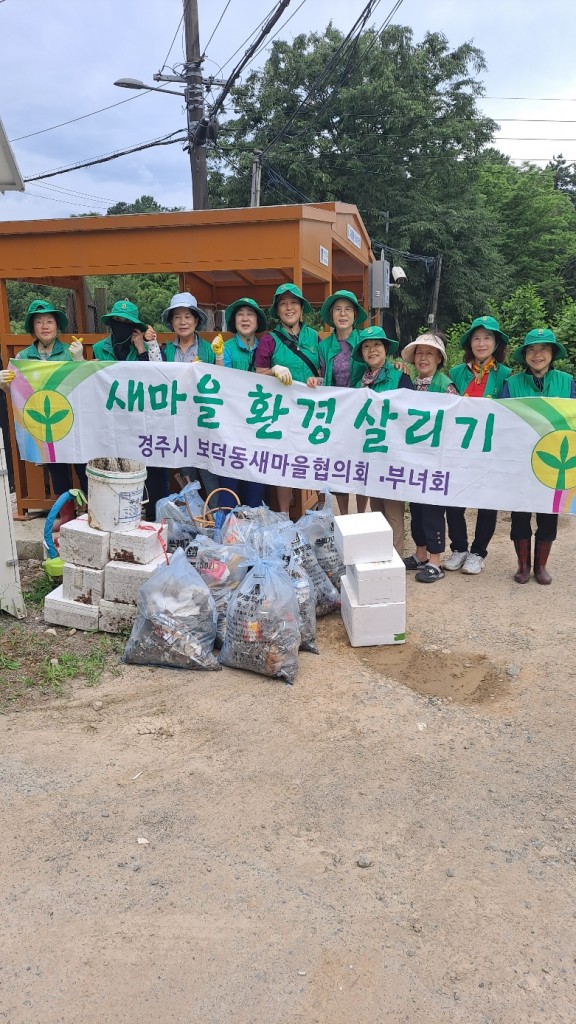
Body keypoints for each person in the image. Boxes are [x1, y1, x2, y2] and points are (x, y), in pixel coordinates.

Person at [501, 328, 576, 585]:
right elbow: (502, 419)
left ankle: (541, 567)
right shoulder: (511, 384)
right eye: (532, 350)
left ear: (552, 354)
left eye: (543, 349)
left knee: (548, 514)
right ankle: (523, 566)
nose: (537, 355)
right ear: (525, 355)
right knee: (520, 514)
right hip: (520, 461)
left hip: (554, 461)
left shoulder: (567, 382)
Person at [0, 299, 87, 507]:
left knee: (82, 467)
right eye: (39, 322)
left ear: (58, 326)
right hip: (45, 425)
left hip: (73, 420)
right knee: (56, 468)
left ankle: (88, 511)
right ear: (33, 328)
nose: (45, 326)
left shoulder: (69, 351)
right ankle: (65, 513)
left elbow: (85, 385)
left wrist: (79, 359)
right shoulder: (23, 358)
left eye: (50, 321)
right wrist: (4, 384)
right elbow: (18, 394)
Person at [444, 315, 511, 574]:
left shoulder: (506, 375)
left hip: (489, 448)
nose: (481, 343)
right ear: (469, 343)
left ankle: (478, 552)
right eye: (476, 338)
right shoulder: (456, 373)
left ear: (496, 343)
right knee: (453, 498)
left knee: (487, 500)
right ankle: (458, 547)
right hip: (458, 448)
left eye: (487, 338)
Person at [94, 299, 165, 520]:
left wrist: (141, 348)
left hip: (143, 418)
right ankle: (116, 515)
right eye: (117, 321)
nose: (121, 325)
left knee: (153, 465)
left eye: (127, 322)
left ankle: (155, 515)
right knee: (116, 466)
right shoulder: (99, 348)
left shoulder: (140, 347)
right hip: (112, 419)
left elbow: (155, 377)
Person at [255, 283, 322, 514]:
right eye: (283, 303)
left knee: (313, 461)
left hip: (311, 412)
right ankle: (284, 514)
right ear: (277, 310)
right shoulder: (269, 340)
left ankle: (317, 513)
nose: (289, 307)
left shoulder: (314, 337)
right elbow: (258, 373)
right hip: (281, 413)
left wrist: (318, 380)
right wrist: (273, 369)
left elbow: (325, 372)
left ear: (302, 309)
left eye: (294, 303)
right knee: (283, 464)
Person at [400, 333, 459, 582]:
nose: (423, 358)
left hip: (436, 459)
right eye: (419, 353)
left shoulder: (445, 386)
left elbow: (457, 422)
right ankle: (421, 554)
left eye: (429, 353)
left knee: (433, 509)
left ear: (439, 358)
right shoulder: (412, 384)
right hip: (414, 459)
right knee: (416, 509)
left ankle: (436, 561)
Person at [352, 325, 414, 555]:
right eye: (366, 346)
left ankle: (394, 557)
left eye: (377, 344)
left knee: (394, 509)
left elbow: (408, 413)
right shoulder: (359, 381)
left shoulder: (400, 375)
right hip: (369, 451)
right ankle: (380, 554)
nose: (372, 350)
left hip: (392, 452)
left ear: (386, 348)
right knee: (376, 507)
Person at [160, 291, 223, 506]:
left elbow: (222, 382)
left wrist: (218, 358)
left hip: (204, 420)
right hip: (179, 420)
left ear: (196, 320)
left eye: (188, 316)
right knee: (187, 471)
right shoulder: (165, 350)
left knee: (209, 471)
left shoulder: (209, 349)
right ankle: (195, 520)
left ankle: (217, 517)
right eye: (177, 317)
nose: (183, 322)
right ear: (171, 322)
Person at [318, 289, 368, 514]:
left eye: (348, 309)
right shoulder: (324, 346)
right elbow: (321, 374)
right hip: (335, 415)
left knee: (361, 465)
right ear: (331, 315)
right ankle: (345, 517)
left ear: (355, 315)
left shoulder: (366, 340)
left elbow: (380, 365)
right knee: (339, 466)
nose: (343, 314)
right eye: (337, 309)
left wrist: (397, 366)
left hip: (362, 413)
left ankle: (361, 516)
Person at [220, 297, 268, 507]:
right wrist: (219, 358)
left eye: (251, 314)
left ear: (258, 321)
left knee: (256, 477)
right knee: (229, 478)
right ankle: (227, 528)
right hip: (231, 424)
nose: (246, 319)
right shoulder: (226, 348)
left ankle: (254, 526)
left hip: (260, 424)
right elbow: (222, 382)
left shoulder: (266, 347)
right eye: (241, 314)